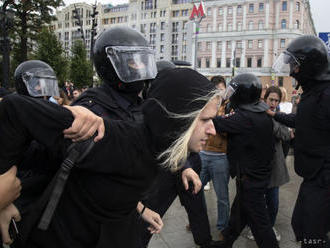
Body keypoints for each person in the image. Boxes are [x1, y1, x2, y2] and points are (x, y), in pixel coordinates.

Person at [0, 67, 220, 248]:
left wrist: (141, 209)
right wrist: (5, 187)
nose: (213, 130)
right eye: (204, 120)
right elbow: (14, 110)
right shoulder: (113, 138)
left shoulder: (155, 145)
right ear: (179, 118)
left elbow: (113, 182)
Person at [139, 61, 220, 248]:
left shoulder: (158, 138)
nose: (213, 131)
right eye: (205, 119)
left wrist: (185, 166)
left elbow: (168, 142)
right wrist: (140, 209)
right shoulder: (130, 144)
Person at [270, 35, 330, 247]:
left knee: (313, 235)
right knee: (301, 225)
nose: (291, 70)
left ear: (309, 65)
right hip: (313, 174)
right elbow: (302, 120)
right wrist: (274, 115)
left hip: (324, 177)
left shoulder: (326, 94)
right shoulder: (313, 92)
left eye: (294, 65)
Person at [213, 73, 278, 248]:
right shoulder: (260, 113)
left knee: (261, 226)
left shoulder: (244, 118)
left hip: (251, 180)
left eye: (234, 91)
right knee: (238, 216)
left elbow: (216, 123)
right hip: (254, 177)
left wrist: (208, 109)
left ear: (241, 94)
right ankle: (226, 242)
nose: (231, 94)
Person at [246, 86, 290, 242]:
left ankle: (270, 226)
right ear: (265, 99)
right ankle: (254, 227)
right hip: (257, 164)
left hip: (274, 165)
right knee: (255, 200)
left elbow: (285, 135)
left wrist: (272, 119)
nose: (273, 103)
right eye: (271, 99)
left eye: (276, 100)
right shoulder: (255, 114)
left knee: (273, 200)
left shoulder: (280, 116)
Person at [199, 75, 230, 241]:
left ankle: (223, 227)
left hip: (220, 157)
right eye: (216, 91)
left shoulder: (229, 107)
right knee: (194, 192)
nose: (219, 94)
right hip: (203, 154)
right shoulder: (206, 105)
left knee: (222, 197)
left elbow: (229, 129)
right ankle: (198, 221)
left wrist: (218, 122)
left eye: (222, 90)